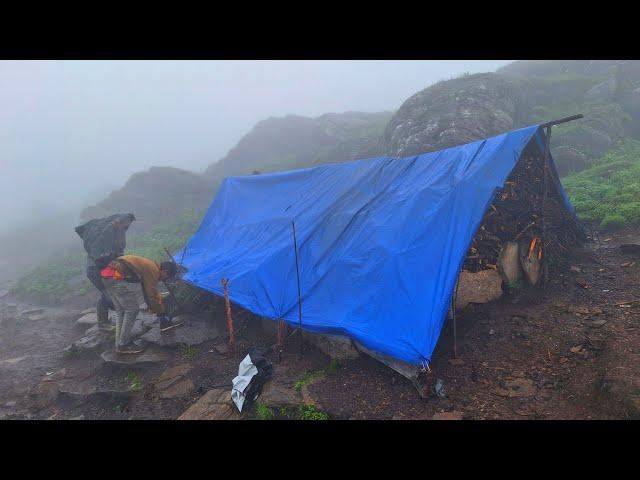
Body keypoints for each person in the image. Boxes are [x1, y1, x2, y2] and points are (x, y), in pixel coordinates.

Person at [100, 254, 178, 353]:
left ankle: (119, 344)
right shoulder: (153, 270)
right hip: (116, 278)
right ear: (164, 271)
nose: (163, 280)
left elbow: (148, 290)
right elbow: (150, 296)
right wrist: (161, 313)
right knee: (132, 310)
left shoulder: (151, 265)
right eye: (166, 277)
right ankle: (124, 344)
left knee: (121, 311)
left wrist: (155, 300)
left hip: (107, 276)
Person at [75, 213, 136, 328]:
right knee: (110, 296)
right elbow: (117, 249)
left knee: (106, 293)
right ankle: (109, 324)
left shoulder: (100, 238)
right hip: (97, 270)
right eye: (126, 225)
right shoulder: (109, 232)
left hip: (95, 269)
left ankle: (103, 322)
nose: (127, 227)